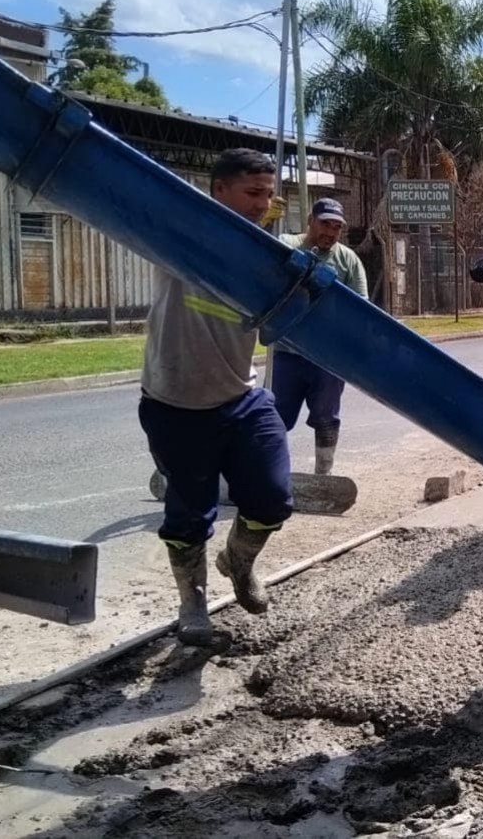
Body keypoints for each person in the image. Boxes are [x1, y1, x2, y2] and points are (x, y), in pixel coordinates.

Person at [139, 148, 293, 646]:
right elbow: (151, 202)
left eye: (268, 195)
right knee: (188, 514)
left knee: (272, 499)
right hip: (175, 404)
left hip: (241, 397)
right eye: (252, 193)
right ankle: (193, 604)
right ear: (218, 190)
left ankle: (239, 563)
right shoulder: (179, 240)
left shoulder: (263, 254)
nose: (262, 203)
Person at [272, 197, 368, 475]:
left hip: (328, 359)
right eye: (325, 224)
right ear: (310, 221)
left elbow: (361, 308)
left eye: (337, 227)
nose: (330, 232)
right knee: (274, 418)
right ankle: (270, 474)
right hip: (288, 352)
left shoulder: (348, 260)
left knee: (326, 418)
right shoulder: (287, 245)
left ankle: (323, 475)